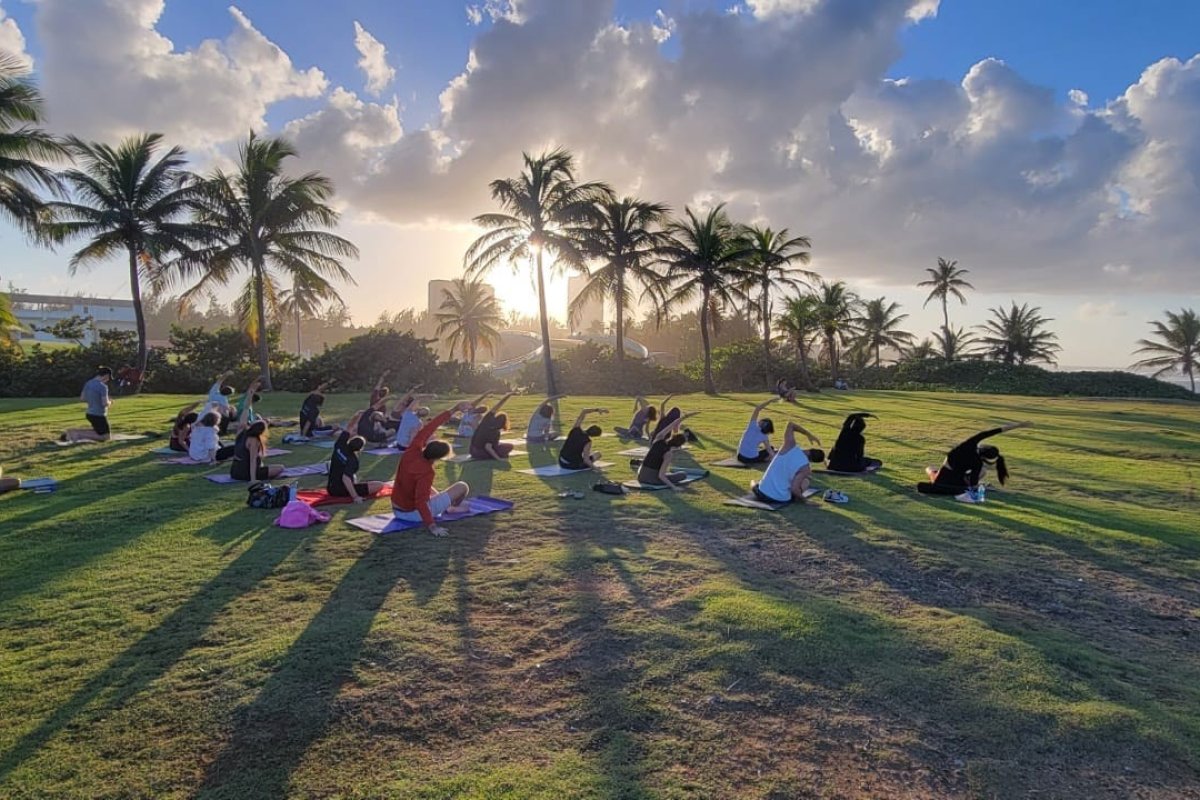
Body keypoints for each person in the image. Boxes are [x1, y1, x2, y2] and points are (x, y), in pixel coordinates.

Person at [392, 401, 475, 536]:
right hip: (412, 514)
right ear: (439, 457)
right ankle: (453, 508)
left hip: (397, 509)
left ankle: (448, 505)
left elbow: (430, 426)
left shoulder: (412, 451)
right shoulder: (427, 472)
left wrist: (454, 409)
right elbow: (421, 502)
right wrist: (432, 526)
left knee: (431, 491)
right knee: (462, 486)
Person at [919, 421, 1032, 502]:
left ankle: (931, 471)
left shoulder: (969, 445)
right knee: (982, 471)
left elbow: (989, 432)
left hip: (941, 478)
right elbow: (973, 483)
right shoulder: (977, 463)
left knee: (930, 469)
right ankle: (933, 473)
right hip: (957, 483)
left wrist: (1016, 425)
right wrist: (978, 487)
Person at [751, 421, 824, 505]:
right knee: (806, 482)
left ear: (810, 449)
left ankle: (754, 484)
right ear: (812, 461)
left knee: (755, 484)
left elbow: (791, 424)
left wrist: (808, 434)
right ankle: (755, 484)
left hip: (761, 493)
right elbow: (794, 489)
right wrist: (805, 500)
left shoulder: (789, 445)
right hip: (780, 499)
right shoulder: (805, 468)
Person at [229, 379, 284, 481]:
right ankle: (255, 476)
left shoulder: (241, 430)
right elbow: (253, 461)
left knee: (266, 466)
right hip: (245, 474)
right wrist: (253, 480)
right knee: (280, 468)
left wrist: (250, 395)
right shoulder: (254, 440)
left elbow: (246, 408)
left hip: (234, 472)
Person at [637, 411, 699, 491]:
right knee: (682, 475)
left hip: (641, 476)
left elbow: (672, 424)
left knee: (669, 474)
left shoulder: (659, 438)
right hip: (652, 479)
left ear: (672, 437)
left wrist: (684, 417)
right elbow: (661, 476)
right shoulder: (668, 454)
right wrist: (674, 487)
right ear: (678, 446)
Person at [327, 431, 387, 502]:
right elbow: (345, 478)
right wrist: (355, 497)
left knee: (351, 475)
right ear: (359, 449)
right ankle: (352, 491)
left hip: (330, 487)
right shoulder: (353, 460)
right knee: (379, 485)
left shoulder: (340, 444)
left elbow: (348, 429)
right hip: (339, 490)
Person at [61, 366, 113, 443]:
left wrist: (93, 399)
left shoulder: (88, 383)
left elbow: (82, 398)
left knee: (98, 431)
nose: (108, 380)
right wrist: (110, 402)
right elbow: (104, 403)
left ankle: (73, 431)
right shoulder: (103, 387)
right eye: (108, 378)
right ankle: (77, 434)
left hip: (90, 413)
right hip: (98, 414)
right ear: (106, 375)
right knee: (105, 437)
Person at [470, 392, 517, 460]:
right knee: (509, 446)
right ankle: (496, 455)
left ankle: (497, 454)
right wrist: (498, 459)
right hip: (481, 453)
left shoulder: (486, 420)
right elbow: (488, 447)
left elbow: (497, 406)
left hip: (472, 451)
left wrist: (507, 396)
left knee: (500, 446)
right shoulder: (495, 432)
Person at [736, 398, 778, 464]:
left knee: (766, 450)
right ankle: (766, 459)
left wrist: (770, 401)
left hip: (740, 457)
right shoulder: (764, 436)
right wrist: (776, 460)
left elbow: (757, 409)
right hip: (751, 459)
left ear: (761, 422)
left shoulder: (752, 425)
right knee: (771, 448)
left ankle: (766, 458)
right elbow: (769, 450)